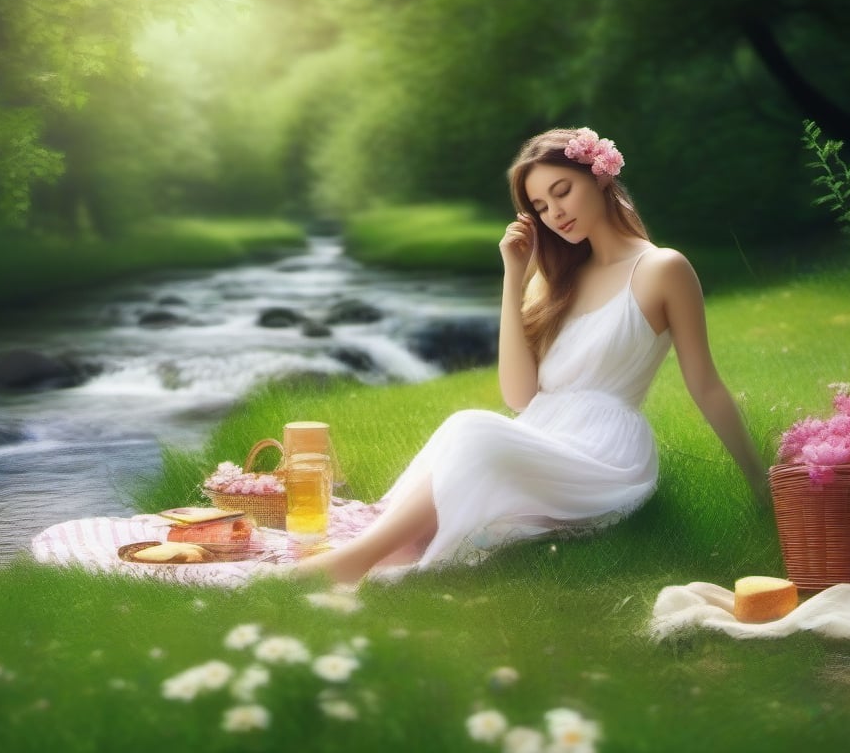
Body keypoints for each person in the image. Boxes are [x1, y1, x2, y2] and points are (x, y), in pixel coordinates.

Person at [294, 126, 768, 584]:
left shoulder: (662, 269)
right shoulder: (561, 279)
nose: (555, 213)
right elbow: (519, 397)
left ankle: (354, 562)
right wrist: (514, 275)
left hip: (604, 453)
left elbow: (705, 385)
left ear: (600, 177)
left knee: (472, 431)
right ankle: (370, 551)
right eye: (540, 206)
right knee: (468, 428)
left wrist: (760, 482)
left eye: (562, 191)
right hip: (542, 432)